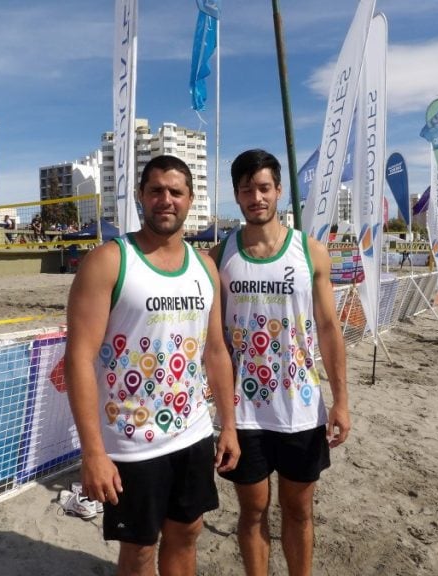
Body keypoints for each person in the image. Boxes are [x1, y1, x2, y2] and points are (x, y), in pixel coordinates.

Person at [64, 155, 240, 576]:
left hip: (193, 433)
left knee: (187, 534)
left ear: (190, 200)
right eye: (156, 190)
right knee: (140, 551)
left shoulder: (205, 267)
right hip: (131, 443)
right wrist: (92, 452)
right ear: (142, 196)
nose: (166, 200)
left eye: (176, 192)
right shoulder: (108, 260)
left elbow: (215, 350)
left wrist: (229, 426)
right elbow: (78, 359)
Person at [210, 149, 350, 576]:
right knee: (252, 512)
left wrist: (341, 400)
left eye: (264, 187)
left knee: (299, 510)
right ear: (237, 195)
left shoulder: (310, 253)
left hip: (301, 408)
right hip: (244, 412)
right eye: (247, 189)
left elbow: (328, 328)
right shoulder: (219, 257)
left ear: (279, 191)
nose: (257, 197)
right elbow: (212, 340)